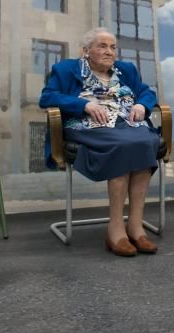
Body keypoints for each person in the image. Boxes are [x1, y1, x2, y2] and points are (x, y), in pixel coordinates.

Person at [39, 28, 162, 257]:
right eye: (102, 46)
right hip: (89, 125)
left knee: (146, 140)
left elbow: (147, 92)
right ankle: (115, 228)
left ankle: (135, 226)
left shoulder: (126, 70)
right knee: (124, 145)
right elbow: (47, 97)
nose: (109, 51)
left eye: (113, 47)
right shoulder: (66, 69)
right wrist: (83, 105)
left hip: (127, 123)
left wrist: (141, 105)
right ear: (86, 51)